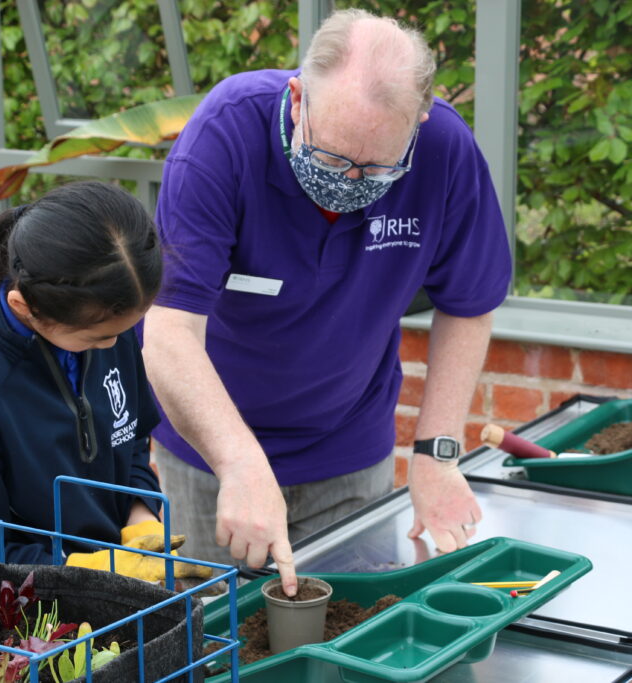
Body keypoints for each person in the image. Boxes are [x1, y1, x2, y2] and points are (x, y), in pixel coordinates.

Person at [142, 9, 511, 595]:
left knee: (345, 637)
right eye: (332, 157)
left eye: (376, 167)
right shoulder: (224, 135)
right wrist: (238, 463)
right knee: (210, 645)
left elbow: (469, 301)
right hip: (209, 455)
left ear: (419, 120)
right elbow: (167, 332)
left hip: (348, 450)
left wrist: (437, 454)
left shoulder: (445, 150)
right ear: (296, 99)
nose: (349, 182)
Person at [0, 181, 207, 582]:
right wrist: (84, 569)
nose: (115, 344)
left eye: (124, 331)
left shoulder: (108, 324)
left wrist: (140, 516)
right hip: (29, 620)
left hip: (117, 592)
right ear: (26, 307)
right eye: (98, 338)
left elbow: (132, 447)